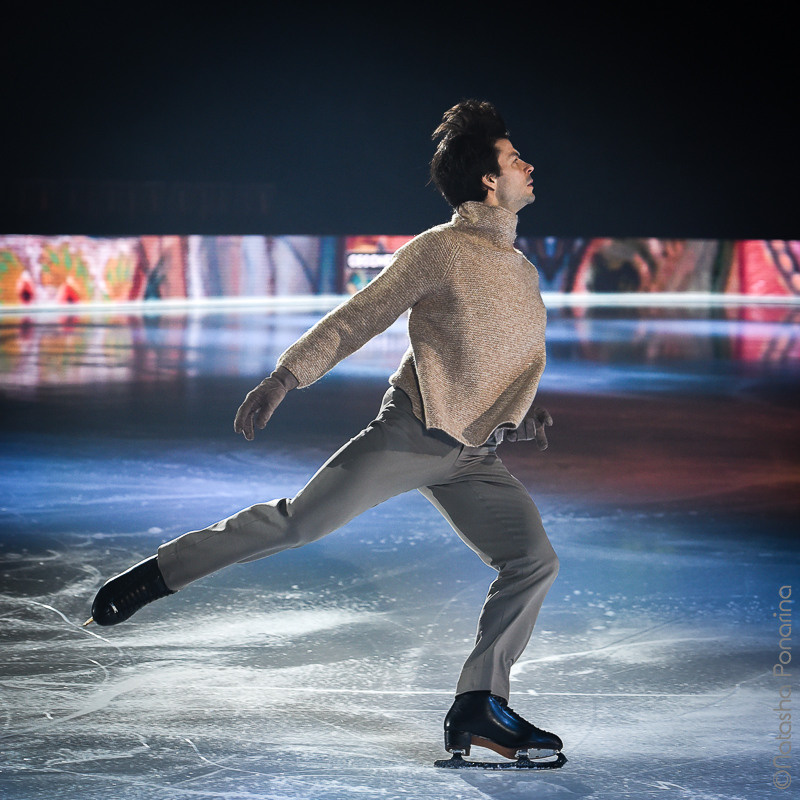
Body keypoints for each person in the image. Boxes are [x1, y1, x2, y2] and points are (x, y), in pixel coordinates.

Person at [87, 99, 565, 767]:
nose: (527, 165)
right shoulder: (441, 250)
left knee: (533, 560)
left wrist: (523, 408)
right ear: (489, 180)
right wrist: (285, 377)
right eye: (515, 158)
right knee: (298, 524)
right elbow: (358, 316)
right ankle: (160, 574)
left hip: (477, 457)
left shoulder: (520, 270)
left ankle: (479, 703)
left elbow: (508, 358)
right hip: (415, 433)